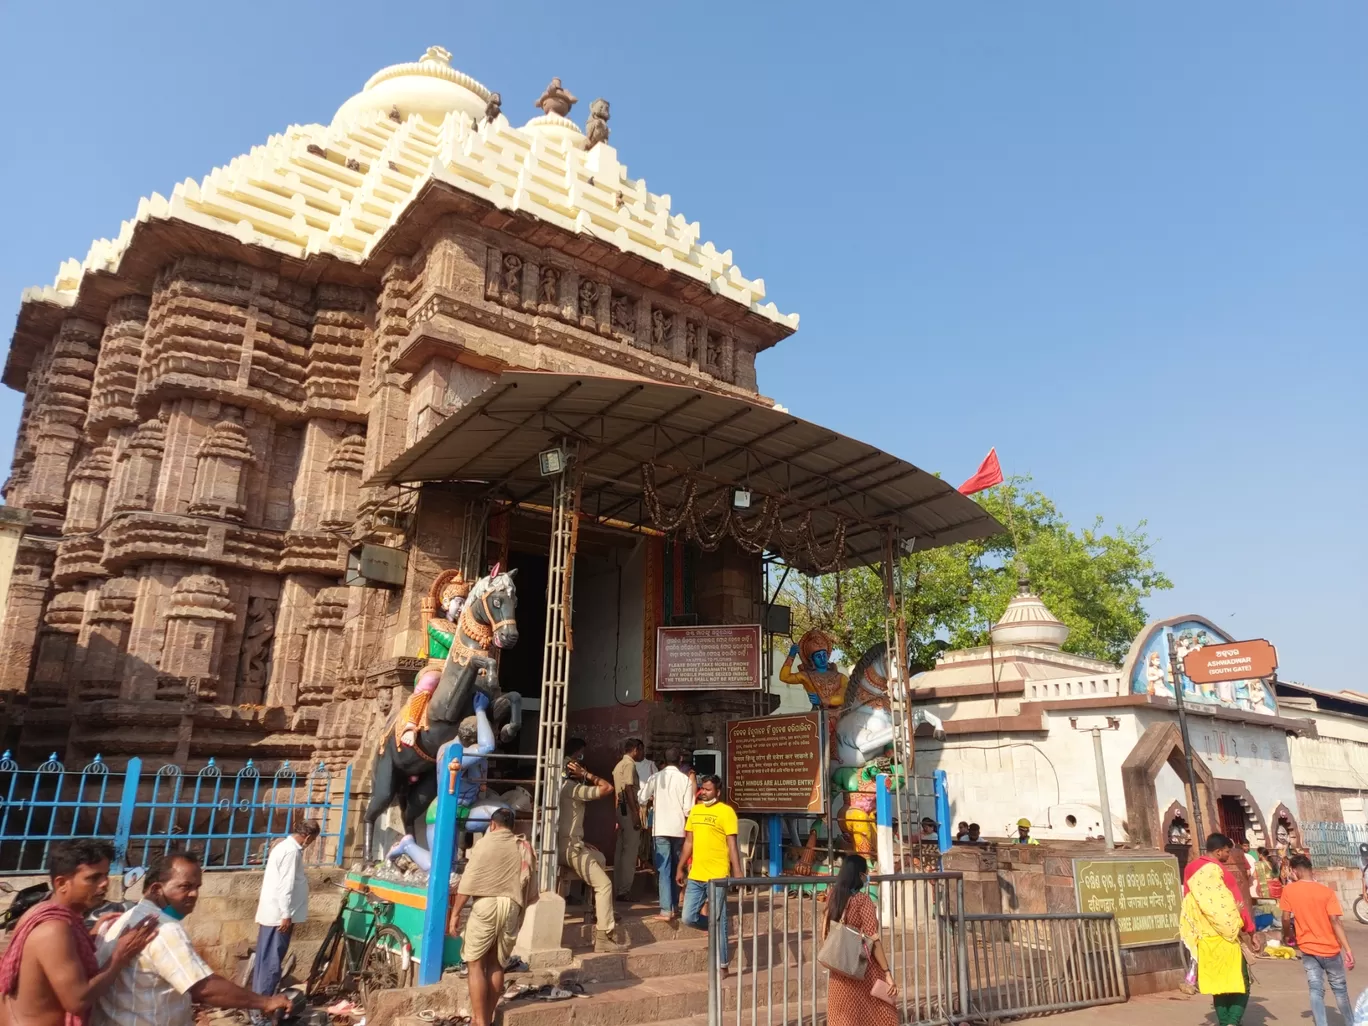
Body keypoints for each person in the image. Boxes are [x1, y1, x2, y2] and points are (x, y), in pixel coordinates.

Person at [92, 850, 291, 1026]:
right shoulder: (163, 928)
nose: (194, 894)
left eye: (197, 886)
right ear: (156, 889)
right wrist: (266, 1002)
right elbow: (203, 987)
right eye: (185, 887)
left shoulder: (126, 917)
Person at [0, 839, 158, 1026]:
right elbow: (78, 1000)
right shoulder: (53, 929)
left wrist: (91, 935)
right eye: (93, 878)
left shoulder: (40, 912)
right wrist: (119, 956)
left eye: (106, 875)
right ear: (62, 883)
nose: (104, 884)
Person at [447, 809, 534, 1026]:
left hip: (486, 905)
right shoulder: (522, 846)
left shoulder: (484, 844)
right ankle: (488, 1017)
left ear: (492, 825)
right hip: (511, 906)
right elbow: (530, 887)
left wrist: (455, 914)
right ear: (511, 826)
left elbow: (467, 883)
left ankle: (480, 1021)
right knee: (497, 965)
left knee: (475, 964)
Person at [1180, 834, 1257, 1026]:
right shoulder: (1219, 870)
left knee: (1218, 985)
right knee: (1242, 984)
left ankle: (1224, 1023)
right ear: (1218, 851)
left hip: (1205, 939)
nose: (1228, 855)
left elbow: (1189, 904)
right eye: (1227, 851)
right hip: (1227, 938)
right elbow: (1234, 902)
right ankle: (1232, 1022)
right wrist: (1250, 930)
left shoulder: (1190, 869)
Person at [250, 818, 320, 1019]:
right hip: (278, 916)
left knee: (265, 961)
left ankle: (258, 1007)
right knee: (272, 963)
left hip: (272, 914)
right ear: (307, 837)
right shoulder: (290, 851)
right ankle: (263, 1010)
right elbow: (285, 886)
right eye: (312, 840)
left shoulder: (283, 847)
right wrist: (286, 915)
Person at [558, 739, 623, 951]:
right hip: (571, 849)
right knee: (604, 884)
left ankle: (601, 911)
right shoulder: (573, 789)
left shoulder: (558, 787)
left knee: (601, 859)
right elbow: (607, 788)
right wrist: (587, 776)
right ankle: (604, 937)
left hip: (564, 843)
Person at [677, 775, 743, 977]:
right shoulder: (695, 812)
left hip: (717, 876)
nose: (703, 792)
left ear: (718, 792)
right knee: (688, 917)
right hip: (696, 874)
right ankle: (713, 930)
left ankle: (723, 964)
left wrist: (737, 871)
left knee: (720, 919)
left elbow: (732, 844)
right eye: (702, 789)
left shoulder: (726, 812)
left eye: (708, 789)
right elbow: (689, 842)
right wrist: (680, 867)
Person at [822, 855, 898, 1026]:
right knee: (880, 1013)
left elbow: (825, 928)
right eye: (866, 873)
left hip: (839, 969)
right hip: (862, 968)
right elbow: (873, 937)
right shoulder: (862, 900)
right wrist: (887, 973)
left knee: (843, 1016)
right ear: (860, 875)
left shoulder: (833, 896)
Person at [1281, 854, 1355, 1026]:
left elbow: (1285, 918)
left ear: (1294, 871)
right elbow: (1335, 921)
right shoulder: (1327, 892)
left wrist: (1288, 935)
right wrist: (1348, 949)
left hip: (1307, 949)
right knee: (1340, 990)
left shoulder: (1289, 890)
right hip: (1331, 949)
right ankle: (1351, 1023)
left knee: (1315, 988)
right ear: (1311, 870)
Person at [639, 749, 695, 922]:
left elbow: (641, 797)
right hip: (679, 830)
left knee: (664, 869)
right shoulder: (685, 779)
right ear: (680, 758)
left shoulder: (655, 778)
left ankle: (665, 910)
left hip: (661, 829)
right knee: (677, 869)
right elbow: (688, 809)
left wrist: (653, 800)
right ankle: (675, 907)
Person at [612, 739, 645, 900]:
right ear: (636, 749)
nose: (642, 754)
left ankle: (619, 886)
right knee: (630, 851)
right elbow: (628, 789)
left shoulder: (619, 765)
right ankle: (624, 890)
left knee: (620, 851)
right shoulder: (630, 765)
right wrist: (634, 813)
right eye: (641, 751)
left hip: (621, 809)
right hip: (628, 809)